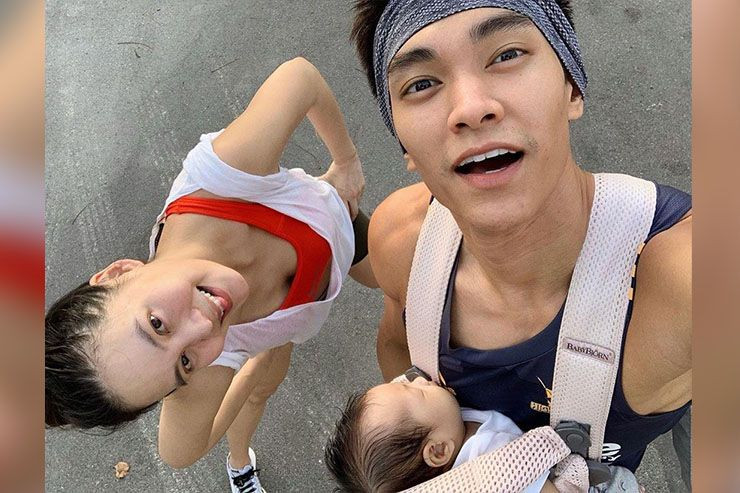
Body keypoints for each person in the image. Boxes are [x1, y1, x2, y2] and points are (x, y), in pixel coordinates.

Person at [350, 0, 691, 488]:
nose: (471, 108)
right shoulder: (403, 242)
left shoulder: (682, 277)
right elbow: (397, 350)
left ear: (572, 86)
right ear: (404, 146)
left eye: (507, 54)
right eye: (421, 84)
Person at [45, 57, 376, 492]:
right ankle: (240, 464)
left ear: (119, 273)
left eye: (156, 324)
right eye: (184, 363)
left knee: (395, 279)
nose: (204, 326)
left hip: (339, 219)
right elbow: (180, 452)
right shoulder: (213, 355)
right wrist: (250, 370)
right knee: (262, 388)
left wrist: (346, 161)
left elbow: (300, 78)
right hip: (303, 296)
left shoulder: (219, 180)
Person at [325, 375, 558, 492]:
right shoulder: (494, 467)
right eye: (418, 392)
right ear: (438, 451)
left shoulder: (449, 426)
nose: (420, 379)